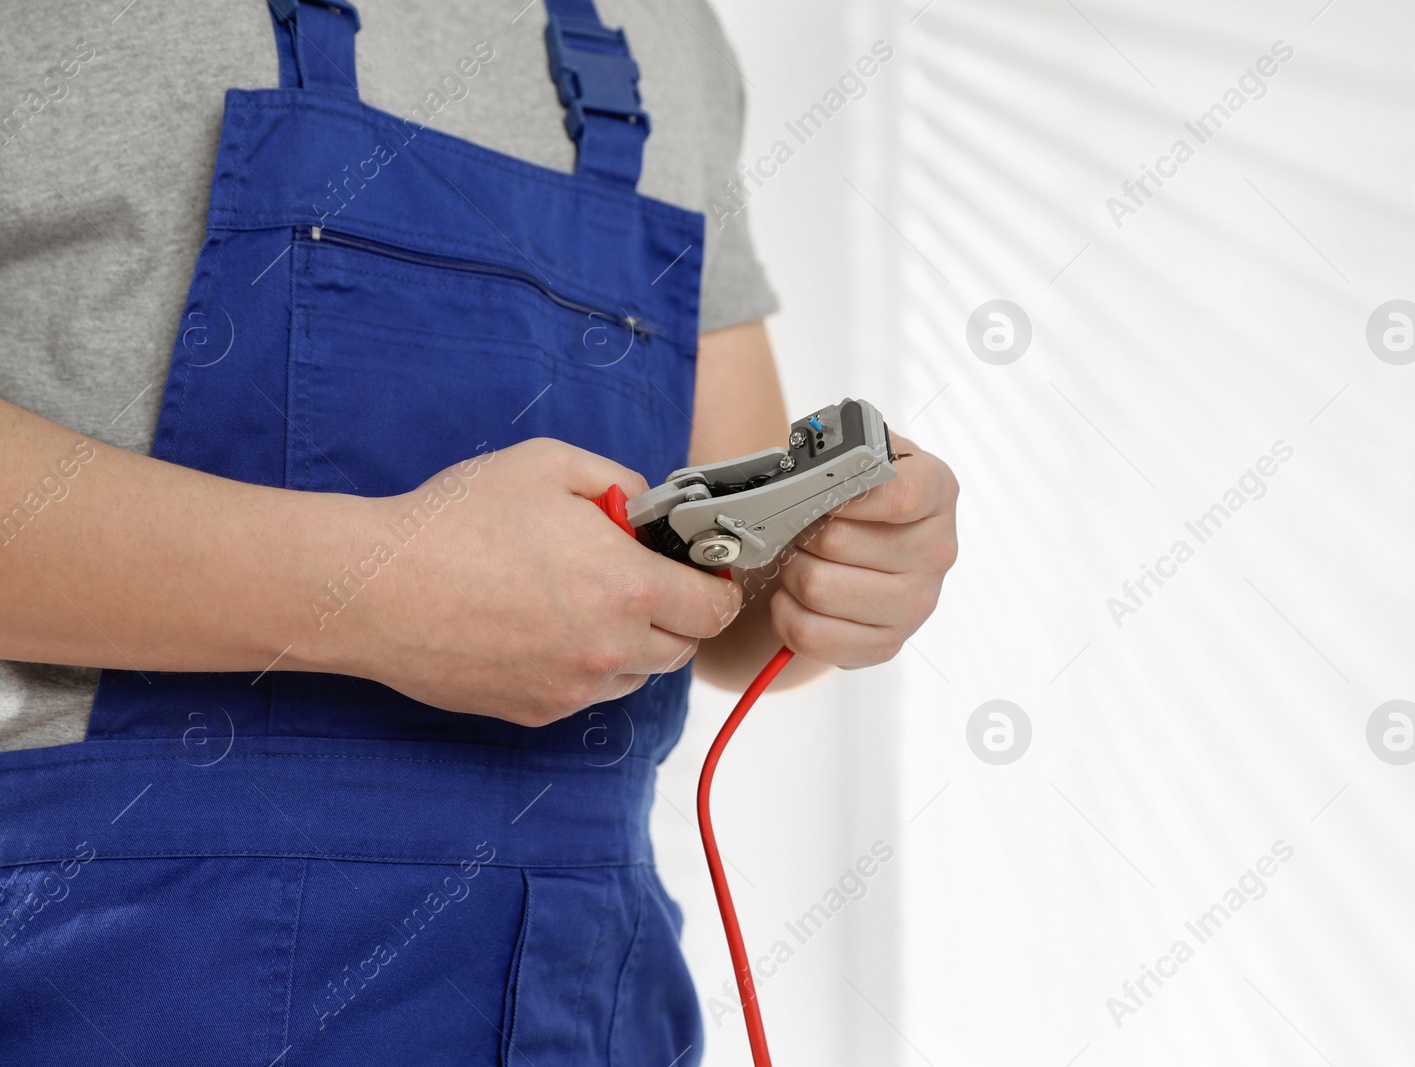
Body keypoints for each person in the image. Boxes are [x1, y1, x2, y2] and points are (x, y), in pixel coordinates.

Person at [0, 1, 958, 1062]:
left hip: (582, 991)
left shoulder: (664, 35)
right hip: (106, 967)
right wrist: (370, 591)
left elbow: (739, 614)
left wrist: (838, 570)